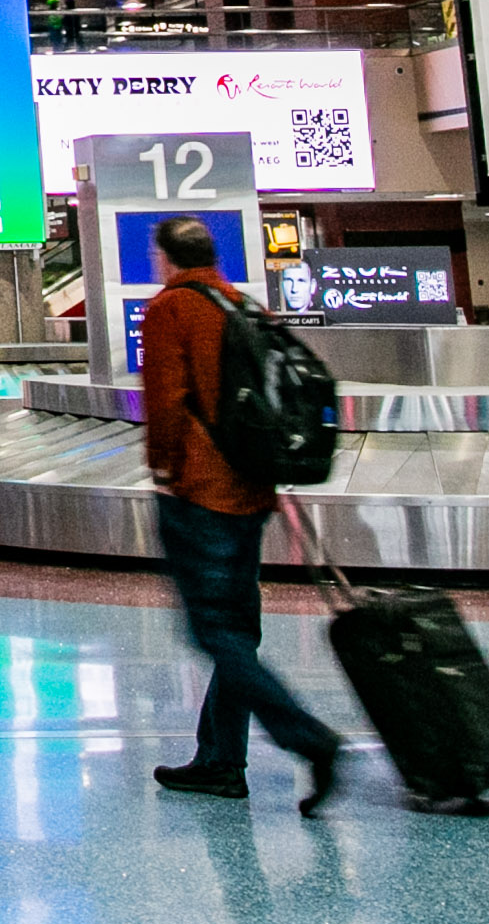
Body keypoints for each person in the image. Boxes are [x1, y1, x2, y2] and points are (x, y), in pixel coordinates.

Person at [138, 214, 344, 813]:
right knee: (238, 631)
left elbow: (166, 402)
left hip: (201, 492)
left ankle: (310, 739)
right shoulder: (242, 305)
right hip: (252, 489)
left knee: (216, 632)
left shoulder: (171, 308)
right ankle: (221, 761)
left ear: (165, 258)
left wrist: (163, 470)